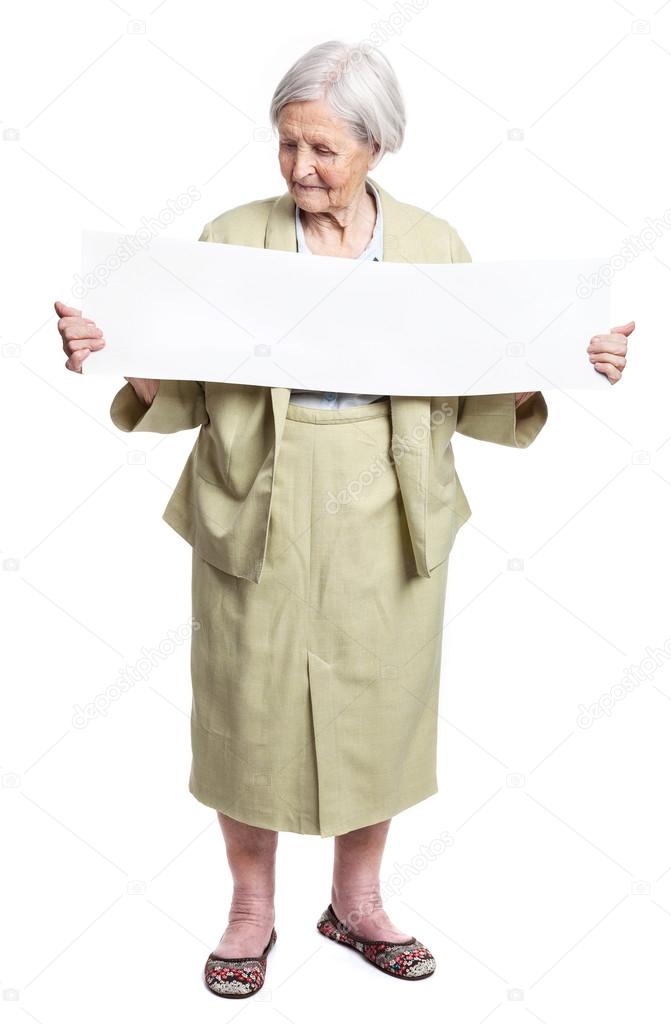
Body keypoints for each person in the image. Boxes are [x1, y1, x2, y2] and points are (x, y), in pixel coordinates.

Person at [54, 39, 634, 998]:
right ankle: (250, 909)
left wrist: (562, 364)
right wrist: (122, 353)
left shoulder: (432, 243)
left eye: (323, 149)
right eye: (287, 145)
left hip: (389, 493)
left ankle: (356, 902)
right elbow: (185, 390)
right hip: (257, 494)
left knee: (379, 704)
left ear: (376, 145)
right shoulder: (231, 235)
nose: (300, 169)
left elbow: (476, 383)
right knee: (248, 700)